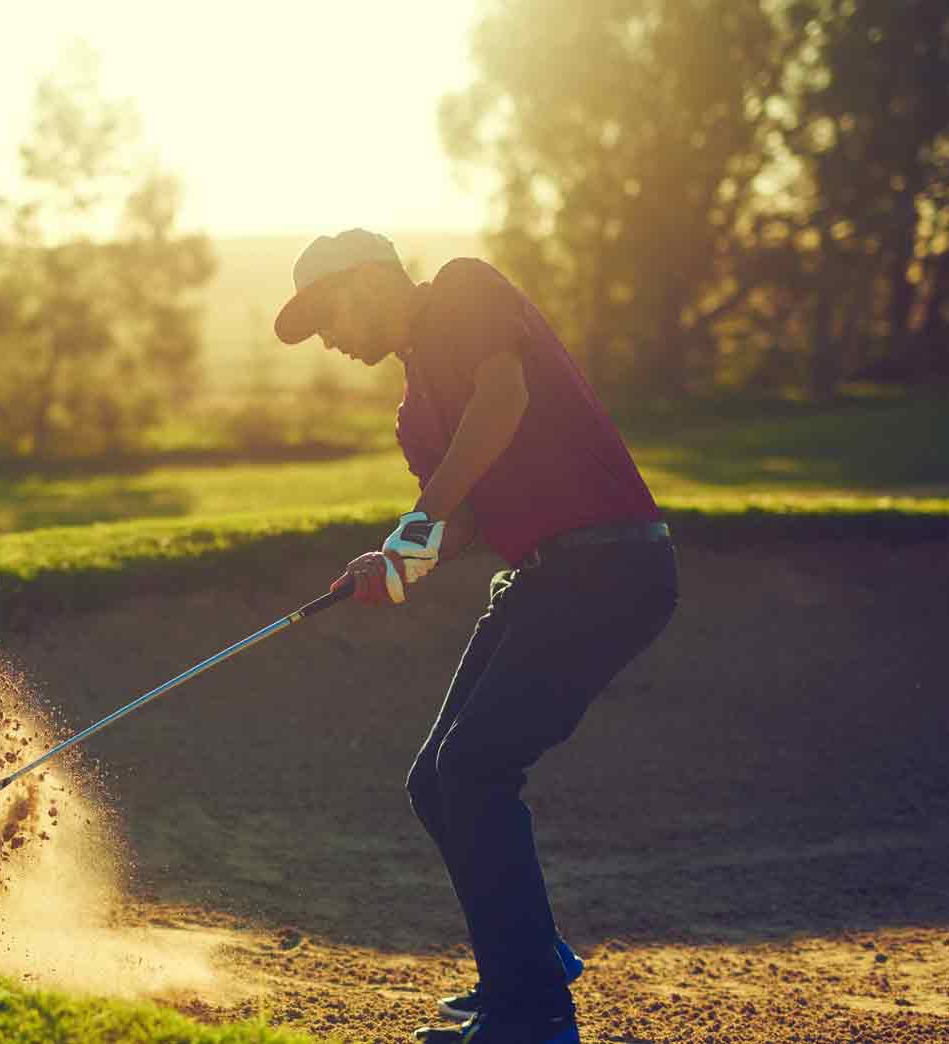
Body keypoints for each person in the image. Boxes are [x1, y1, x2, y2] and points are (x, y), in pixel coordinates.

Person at [273, 229, 679, 1044]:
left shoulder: (462, 290)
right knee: (436, 782)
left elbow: (504, 402)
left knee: (475, 769)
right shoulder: (412, 412)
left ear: (373, 280)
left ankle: (532, 1014)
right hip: (545, 577)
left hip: (612, 564)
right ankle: (520, 960)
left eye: (327, 315)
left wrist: (417, 524)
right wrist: (391, 561)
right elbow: (458, 522)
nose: (328, 340)